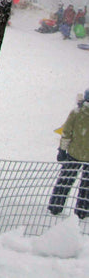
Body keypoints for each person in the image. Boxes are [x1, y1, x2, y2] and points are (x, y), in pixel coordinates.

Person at [48, 89, 89, 219]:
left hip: (73, 154)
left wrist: (62, 150)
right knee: (86, 186)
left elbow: (66, 134)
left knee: (65, 181)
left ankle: (55, 207)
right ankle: (82, 212)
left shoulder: (76, 113)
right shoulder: (77, 113)